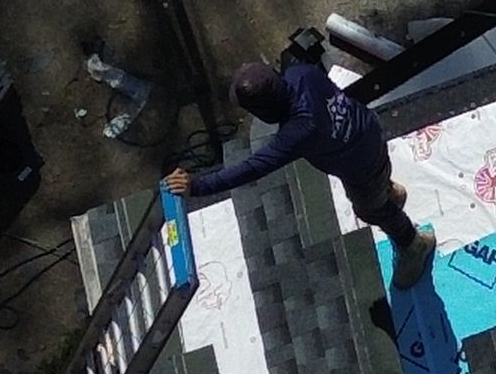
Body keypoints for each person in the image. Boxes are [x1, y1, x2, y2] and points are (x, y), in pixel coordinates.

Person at [163, 60, 439, 284]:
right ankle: (389, 192)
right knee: (378, 181)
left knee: (370, 209)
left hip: (361, 167)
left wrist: (197, 186)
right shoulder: (301, 73)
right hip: (370, 131)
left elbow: (253, 167)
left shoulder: (300, 130)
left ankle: (414, 246)